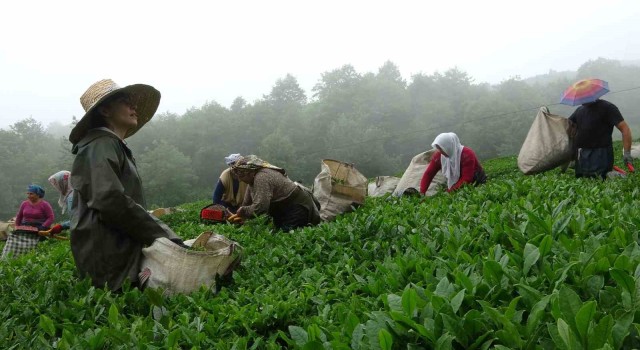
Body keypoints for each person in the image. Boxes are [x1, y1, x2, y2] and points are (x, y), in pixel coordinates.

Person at [69, 79, 184, 291]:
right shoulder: (99, 145)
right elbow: (109, 200)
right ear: (105, 109)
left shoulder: (111, 145)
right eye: (126, 102)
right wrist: (164, 235)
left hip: (119, 251)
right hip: (109, 258)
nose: (134, 107)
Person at [227, 155, 321, 231]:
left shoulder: (262, 177)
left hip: (296, 206)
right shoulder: (251, 181)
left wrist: (243, 211)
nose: (240, 179)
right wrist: (241, 216)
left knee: (288, 236)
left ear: (251, 172)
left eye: (242, 175)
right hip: (282, 209)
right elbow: (247, 203)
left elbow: (261, 207)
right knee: (278, 233)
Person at [568, 99, 633, 178]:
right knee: (582, 177)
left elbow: (625, 129)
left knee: (600, 177)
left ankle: (616, 175)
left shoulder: (607, 107)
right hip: (582, 154)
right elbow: (567, 125)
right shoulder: (579, 110)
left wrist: (627, 153)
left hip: (601, 153)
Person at [420, 132, 486, 195]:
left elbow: (467, 178)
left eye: (442, 148)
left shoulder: (467, 154)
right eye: (439, 148)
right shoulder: (439, 156)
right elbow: (429, 173)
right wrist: (422, 192)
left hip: (476, 180)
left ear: (448, 146)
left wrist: (449, 192)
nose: (441, 151)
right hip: (457, 183)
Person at [1, 184, 54, 258]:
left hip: (39, 228)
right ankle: (9, 257)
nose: (29, 195)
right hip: (25, 226)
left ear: (38, 194)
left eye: (31, 194)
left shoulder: (45, 205)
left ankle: (28, 256)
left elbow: (50, 217)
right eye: (28, 193)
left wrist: (43, 227)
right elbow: (19, 216)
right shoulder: (24, 203)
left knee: (34, 244)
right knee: (12, 238)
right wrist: (17, 226)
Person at [47, 170, 74, 235]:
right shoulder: (76, 192)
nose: (56, 186)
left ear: (63, 182)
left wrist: (61, 226)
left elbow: (76, 220)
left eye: (56, 183)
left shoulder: (72, 197)